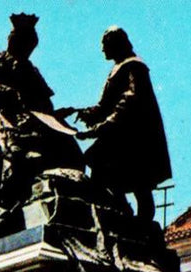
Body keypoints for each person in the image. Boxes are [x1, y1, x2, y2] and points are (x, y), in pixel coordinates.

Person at [0, 13, 84, 230]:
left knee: (71, 151)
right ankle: (0, 203)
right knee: (12, 143)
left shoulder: (31, 70)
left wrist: (57, 116)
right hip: (2, 119)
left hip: (34, 124)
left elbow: (44, 105)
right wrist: (5, 92)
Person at [72, 26, 172, 221]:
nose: (102, 50)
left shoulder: (134, 66)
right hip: (119, 135)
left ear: (116, 44)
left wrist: (97, 129)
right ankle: (121, 211)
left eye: (105, 44)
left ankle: (135, 220)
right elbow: (105, 105)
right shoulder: (120, 67)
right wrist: (85, 113)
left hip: (131, 138)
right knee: (104, 170)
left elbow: (129, 103)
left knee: (137, 182)